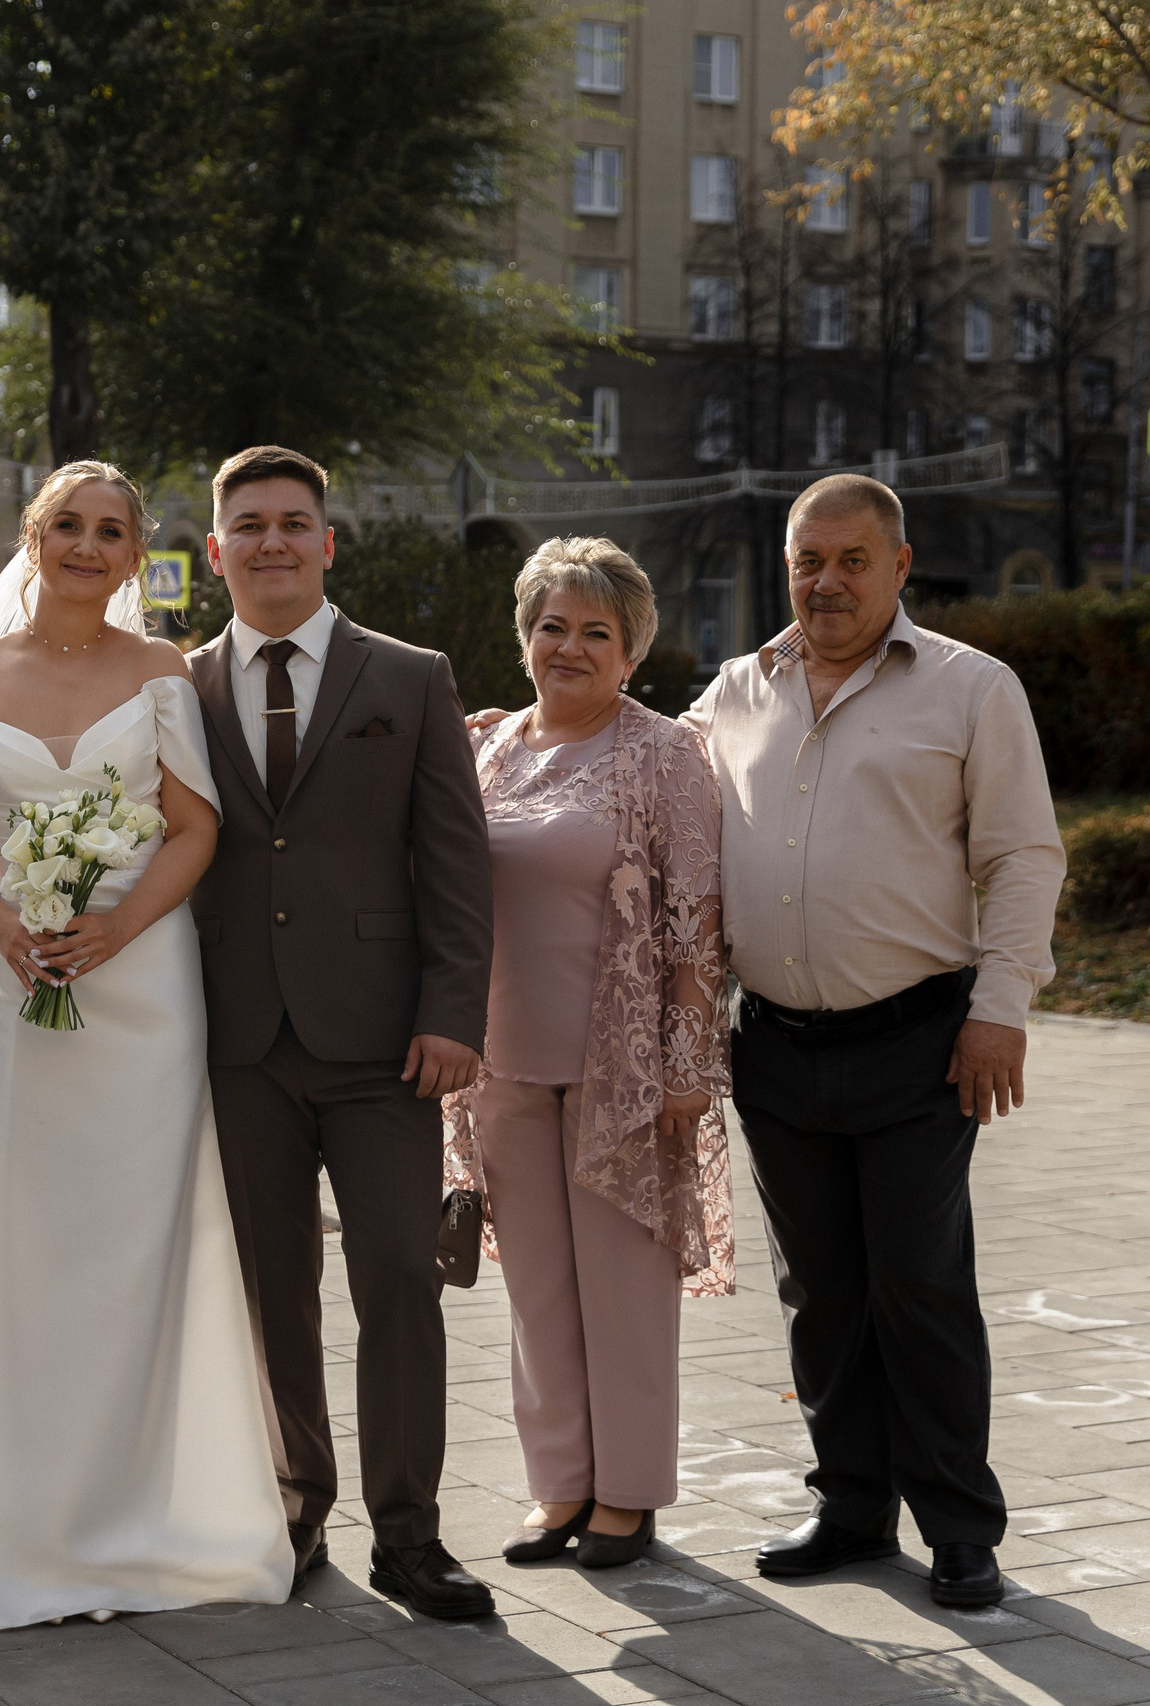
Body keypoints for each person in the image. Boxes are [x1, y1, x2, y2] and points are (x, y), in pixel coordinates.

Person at [0, 460, 292, 1631]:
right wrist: (6, 927)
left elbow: (194, 827)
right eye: (67, 525)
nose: (88, 545)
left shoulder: (160, 671)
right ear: (32, 540)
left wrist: (115, 929)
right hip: (10, 983)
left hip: (143, 994)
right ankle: (9, 1522)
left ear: (136, 554)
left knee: (138, 1246)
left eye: (110, 530)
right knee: (11, 1244)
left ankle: (136, 1519)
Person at [679, 474, 1063, 1610]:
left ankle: (958, 1524)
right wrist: (529, 735)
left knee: (919, 1284)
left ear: (899, 565)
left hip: (918, 1043)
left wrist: (1001, 1008)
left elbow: (1022, 856)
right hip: (773, 1045)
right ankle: (851, 1506)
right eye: (809, 560)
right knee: (820, 1290)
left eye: (853, 559)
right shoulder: (735, 690)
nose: (827, 581)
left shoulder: (970, 688)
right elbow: (648, 789)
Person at [185, 445, 497, 1621]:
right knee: (271, 1292)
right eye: (248, 524)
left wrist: (453, 1013)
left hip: (383, 1047)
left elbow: (456, 859)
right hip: (236, 1042)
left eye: (291, 521)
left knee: (402, 1282)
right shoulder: (176, 686)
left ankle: (409, 1535)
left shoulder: (409, 677)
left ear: (327, 541)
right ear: (215, 550)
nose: (270, 540)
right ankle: (293, 1509)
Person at [448, 538, 732, 1572]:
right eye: (551, 626)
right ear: (524, 636)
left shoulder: (663, 754)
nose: (568, 647)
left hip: (625, 1068)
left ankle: (627, 1494)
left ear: (631, 651)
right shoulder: (488, 747)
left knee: (623, 1289)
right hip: (500, 1062)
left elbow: (696, 920)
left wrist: (687, 1066)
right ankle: (559, 1482)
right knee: (536, 1291)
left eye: (594, 632)